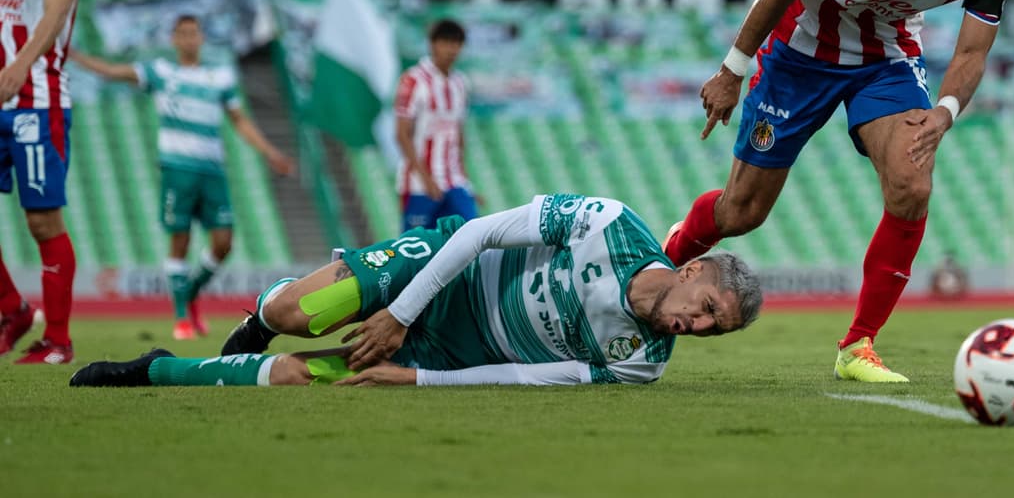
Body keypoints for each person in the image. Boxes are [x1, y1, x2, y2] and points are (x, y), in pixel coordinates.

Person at [663, 0, 1014, 383]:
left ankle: (857, 346)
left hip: (886, 61)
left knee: (912, 183)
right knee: (742, 213)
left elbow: (973, 52)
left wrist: (945, 112)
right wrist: (733, 69)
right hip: (798, 58)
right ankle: (663, 264)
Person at [69, 193, 763, 387]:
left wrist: (418, 377)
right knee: (297, 313)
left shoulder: (641, 362)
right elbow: (484, 232)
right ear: (695, 269)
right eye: (707, 309)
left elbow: (536, 375)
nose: (697, 327)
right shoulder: (606, 223)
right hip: (439, 269)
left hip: (453, 353)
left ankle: (151, 369)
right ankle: (261, 309)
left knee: (295, 378)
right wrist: (401, 313)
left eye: (715, 330)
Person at [69, 15, 296, 340]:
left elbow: (239, 120)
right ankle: (181, 318)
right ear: (175, 39)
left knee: (223, 243)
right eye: (183, 34)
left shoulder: (218, 77)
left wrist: (270, 152)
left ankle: (187, 296)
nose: (189, 39)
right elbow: (113, 72)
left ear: (201, 38)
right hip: (178, 170)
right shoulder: (162, 72)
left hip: (212, 171)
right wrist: (76, 57)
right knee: (181, 240)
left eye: (194, 33)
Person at [0, 0, 83, 365]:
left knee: (42, 223)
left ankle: (58, 339)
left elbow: (54, 15)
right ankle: (12, 309)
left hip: (38, 101)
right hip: (1, 97)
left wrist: (17, 67)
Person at [394, 19, 476, 233]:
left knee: (472, 237)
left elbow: (458, 133)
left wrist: (466, 179)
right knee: (414, 248)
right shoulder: (414, 80)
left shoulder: (460, 83)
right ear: (432, 44)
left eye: (456, 43)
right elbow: (402, 134)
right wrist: (426, 179)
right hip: (419, 184)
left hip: (454, 181)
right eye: (446, 42)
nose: (451, 49)